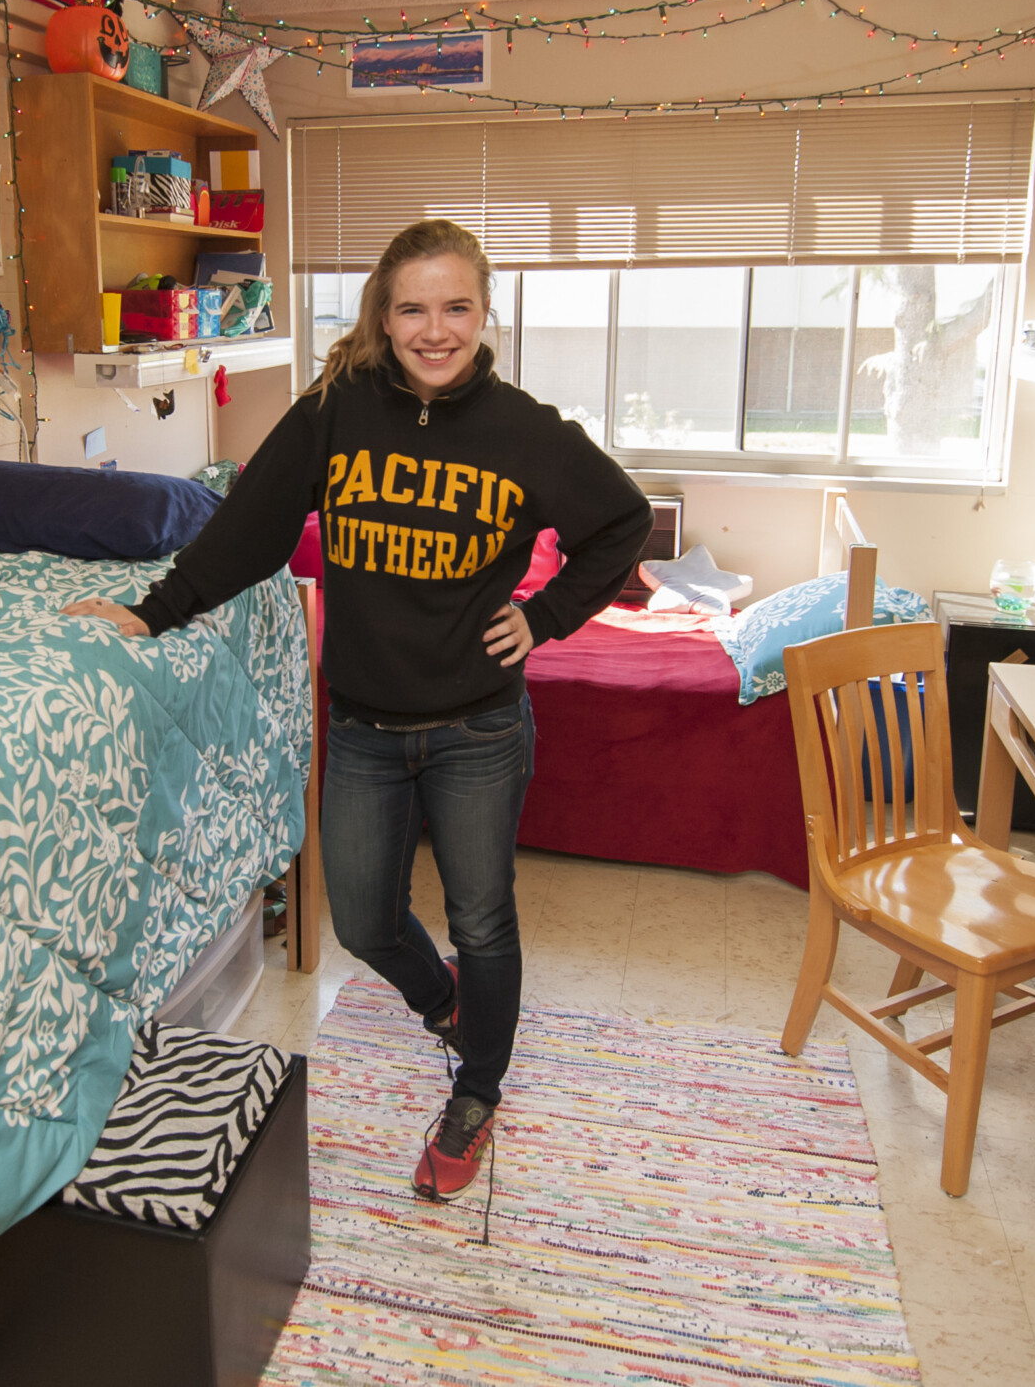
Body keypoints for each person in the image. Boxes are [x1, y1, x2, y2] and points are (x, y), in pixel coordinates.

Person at [61, 220, 649, 1200]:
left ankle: (476, 1087)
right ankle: (447, 1005)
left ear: (484, 311)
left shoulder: (524, 432)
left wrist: (541, 615)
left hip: (478, 727)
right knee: (366, 920)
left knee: (482, 919)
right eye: (412, 307)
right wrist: (149, 609)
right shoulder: (336, 410)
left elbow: (619, 520)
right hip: (365, 728)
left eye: (454, 305)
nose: (434, 328)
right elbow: (247, 530)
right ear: (383, 313)